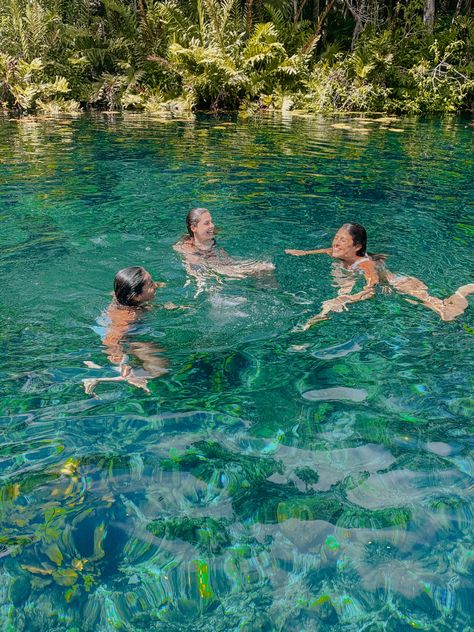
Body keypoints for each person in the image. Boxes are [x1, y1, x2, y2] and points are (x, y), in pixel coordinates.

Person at [286, 222, 474, 330]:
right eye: (336, 238)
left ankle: (462, 291)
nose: (335, 243)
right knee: (336, 298)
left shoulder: (365, 264)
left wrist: (350, 298)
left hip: (401, 284)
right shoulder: (339, 253)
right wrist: (303, 253)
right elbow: (326, 250)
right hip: (383, 283)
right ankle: (322, 315)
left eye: (342, 240)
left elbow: (372, 286)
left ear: (357, 247)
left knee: (446, 313)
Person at [83, 266, 169, 396]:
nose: (156, 285)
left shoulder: (122, 295)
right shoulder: (127, 316)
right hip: (118, 338)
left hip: (112, 329)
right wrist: (123, 365)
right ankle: (104, 376)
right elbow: (110, 340)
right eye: (151, 284)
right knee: (160, 367)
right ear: (136, 297)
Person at [173, 208, 274, 288]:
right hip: (214, 268)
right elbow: (197, 269)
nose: (212, 225)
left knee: (265, 268)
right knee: (263, 267)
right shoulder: (187, 247)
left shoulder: (210, 236)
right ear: (193, 228)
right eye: (207, 223)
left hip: (221, 261)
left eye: (211, 221)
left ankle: (262, 289)